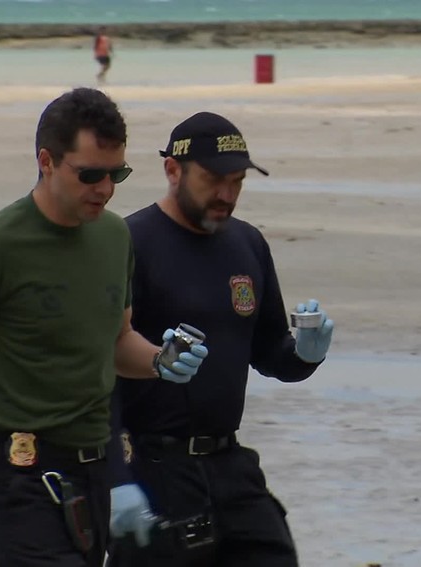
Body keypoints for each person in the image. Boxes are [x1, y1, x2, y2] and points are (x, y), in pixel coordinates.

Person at [0, 87, 209, 567]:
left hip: (93, 473)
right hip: (18, 476)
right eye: (90, 174)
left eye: (117, 174)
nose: (105, 189)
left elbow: (115, 343)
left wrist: (160, 360)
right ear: (47, 161)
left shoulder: (115, 238)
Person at [107, 111, 335, 566]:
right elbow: (98, 370)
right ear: (173, 170)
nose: (226, 195)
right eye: (213, 180)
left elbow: (271, 352)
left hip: (230, 465)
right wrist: (116, 479)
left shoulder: (247, 244)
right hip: (153, 468)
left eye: (237, 182)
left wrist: (306, 355)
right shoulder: (129, 243)